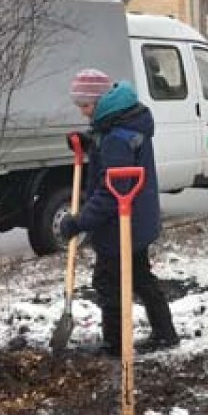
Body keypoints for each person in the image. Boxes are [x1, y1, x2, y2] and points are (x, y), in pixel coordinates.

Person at [57, 69, 179, 356]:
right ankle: (165, 333)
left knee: (108, 282)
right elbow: (110, 150)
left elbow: (111, 192)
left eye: (86, 105)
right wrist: (90, 143)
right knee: (140, 276)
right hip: (138, 218)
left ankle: (115, 344)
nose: (83, 112)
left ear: (101, 102)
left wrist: (79, 222)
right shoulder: (125, 120)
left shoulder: (117, 137)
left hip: (122, 223)